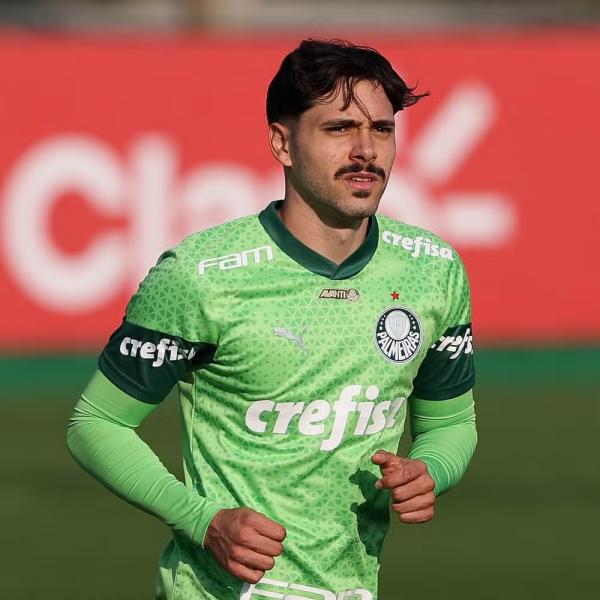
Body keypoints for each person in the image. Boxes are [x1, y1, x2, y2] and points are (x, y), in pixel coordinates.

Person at [67, 38, 477, 600]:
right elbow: (96, 425)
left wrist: (429, 470)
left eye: (381, 129)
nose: (365, 150)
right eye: (338, 129)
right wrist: (202, 520)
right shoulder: (201, 275)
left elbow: (450, 425)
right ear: (282, 143)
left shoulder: (434, 270)